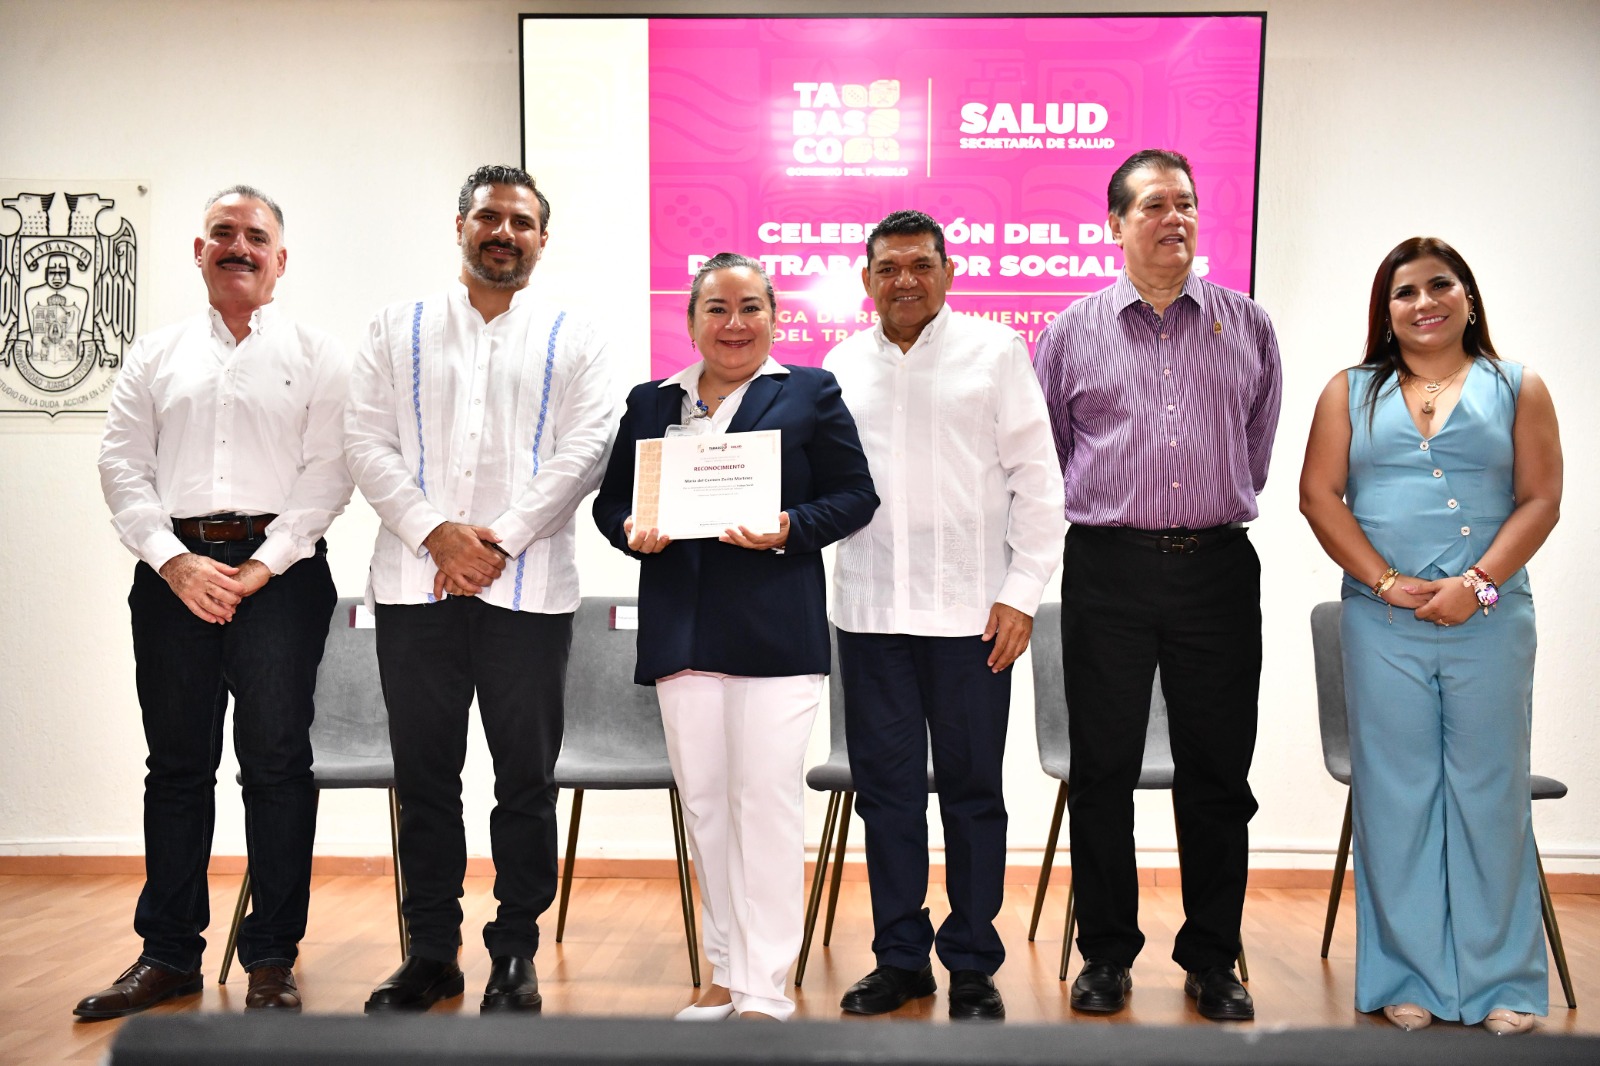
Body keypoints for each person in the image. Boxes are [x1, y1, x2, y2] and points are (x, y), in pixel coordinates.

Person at [345, 164, 615, 1014]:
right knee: (425, 782)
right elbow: (364, 441)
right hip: (413, 588)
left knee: (524, 783)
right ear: (460, 225)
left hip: (528, 596)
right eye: (489, 217)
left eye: (521, 222)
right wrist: (436, 533)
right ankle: (431, 953)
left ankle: (515, 951)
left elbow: (587, 452)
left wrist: (495, 542)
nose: (504, 233)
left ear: (542, 239)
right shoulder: (396, 327)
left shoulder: (576, 336)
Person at [84, 185, 352, 1017]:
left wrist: (261, 566)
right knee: (176, 769)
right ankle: (167, 955)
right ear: (198, 251)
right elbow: (122, 467)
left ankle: (271, 957)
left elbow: (330, 474)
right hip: (174, 574)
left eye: (256, 236)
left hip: (283, 576)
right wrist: (175, 562)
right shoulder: (154, 355)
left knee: (277, 767)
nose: (240, 246)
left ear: (281, 259)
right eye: (223, 233)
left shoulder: (318, 355)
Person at [1032, 149, 1281, 1022]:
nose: (1174, 219)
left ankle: (1213, 958)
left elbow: (1254, 447)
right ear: (1115, 225)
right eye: (1153, 206)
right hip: (1109, 569)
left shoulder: (1248, 325)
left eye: (1186, 203)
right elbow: (1050, 457)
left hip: (1217, 569)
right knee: (1102, 770)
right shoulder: (1069, 333)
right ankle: (1105, 955)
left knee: (1218, 771)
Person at [594, 252, 877, 1021]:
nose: (734, 323)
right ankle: (725, 969)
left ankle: (765, 985)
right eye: (716, 309)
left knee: (767, 804)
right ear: (691, 322)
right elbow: (612, 504)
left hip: (775, 631)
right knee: (708, 805)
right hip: (681, 630)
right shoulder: (651, 402)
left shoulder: (810, 392)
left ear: (775, 317)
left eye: (751, 307)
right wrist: (631, 529)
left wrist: (789, 527)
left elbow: (855, 495)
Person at [1299, 237, 1561, 1035]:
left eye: (1439, 285)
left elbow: (1541, 499)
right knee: (1397, 797)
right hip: (1380, 624)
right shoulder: (1350, 391)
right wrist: (1383, 581)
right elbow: (1318, 496)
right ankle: (1405, 976)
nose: (1424, 303)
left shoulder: (1518, 386)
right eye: (1404, 292)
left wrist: (1476, 585)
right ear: (1386, 312)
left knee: (1490, 795)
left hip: (1491, 620)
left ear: (1467, 297)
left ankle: (1502, 982)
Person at [823, 210, 1064, 1022]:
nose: (905, 281)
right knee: (886, 797)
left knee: (971, 794)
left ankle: (970, 961)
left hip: (973, 619)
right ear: (866, 281)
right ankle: (900, 959)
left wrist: (1021, 593)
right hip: (870, 614)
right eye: (888, 268)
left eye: (921, 265)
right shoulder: (839, 365)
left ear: (948, 273)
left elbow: (1040, 482)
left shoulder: (996, 352)